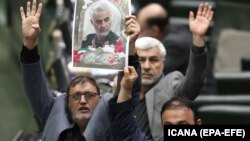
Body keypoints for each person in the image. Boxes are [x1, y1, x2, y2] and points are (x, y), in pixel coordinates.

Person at [85, 2, 213, 141]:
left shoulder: (170, 85)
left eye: (153, 60)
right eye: (141, 60)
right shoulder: (125, 87)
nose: (146, 66)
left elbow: (194, 81)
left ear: (163, 63)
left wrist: (198, 39)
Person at [19, 0, 140, 140]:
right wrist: (30, 44)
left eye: (89, 95)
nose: (83, 100)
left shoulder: (111, 117)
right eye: (76, 96)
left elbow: (128, 90)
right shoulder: (52, 112)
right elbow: (34, 84)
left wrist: (130, 49)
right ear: (67, 102)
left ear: (99, 100)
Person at [137, 3, 218, 95]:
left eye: (141, 31)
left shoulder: (175, 44)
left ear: (155, 30)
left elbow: (151, 76)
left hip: (195, 100)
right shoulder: (174, 30)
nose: (139, 36)